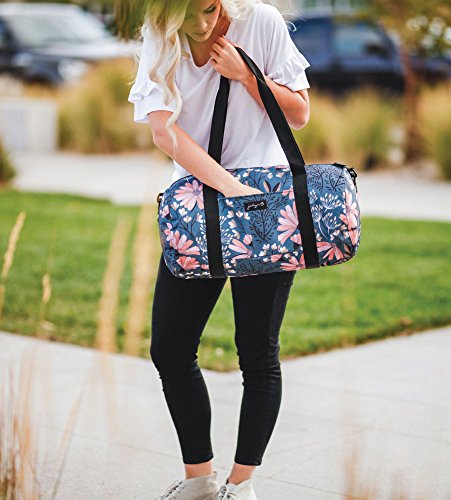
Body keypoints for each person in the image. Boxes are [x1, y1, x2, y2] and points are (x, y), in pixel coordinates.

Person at [127, 1, 311, 498]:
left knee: (257, 352)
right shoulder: (160, 35)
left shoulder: (262, 23)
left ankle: (241, 485)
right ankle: (200, 480)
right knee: (169, 349)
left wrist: (248, 75)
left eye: (209, 8)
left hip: (266, 208)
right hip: (198, 210)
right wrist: (229, 190)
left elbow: (299, 114)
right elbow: (164, 131)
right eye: (189, 14)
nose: (204, 23)